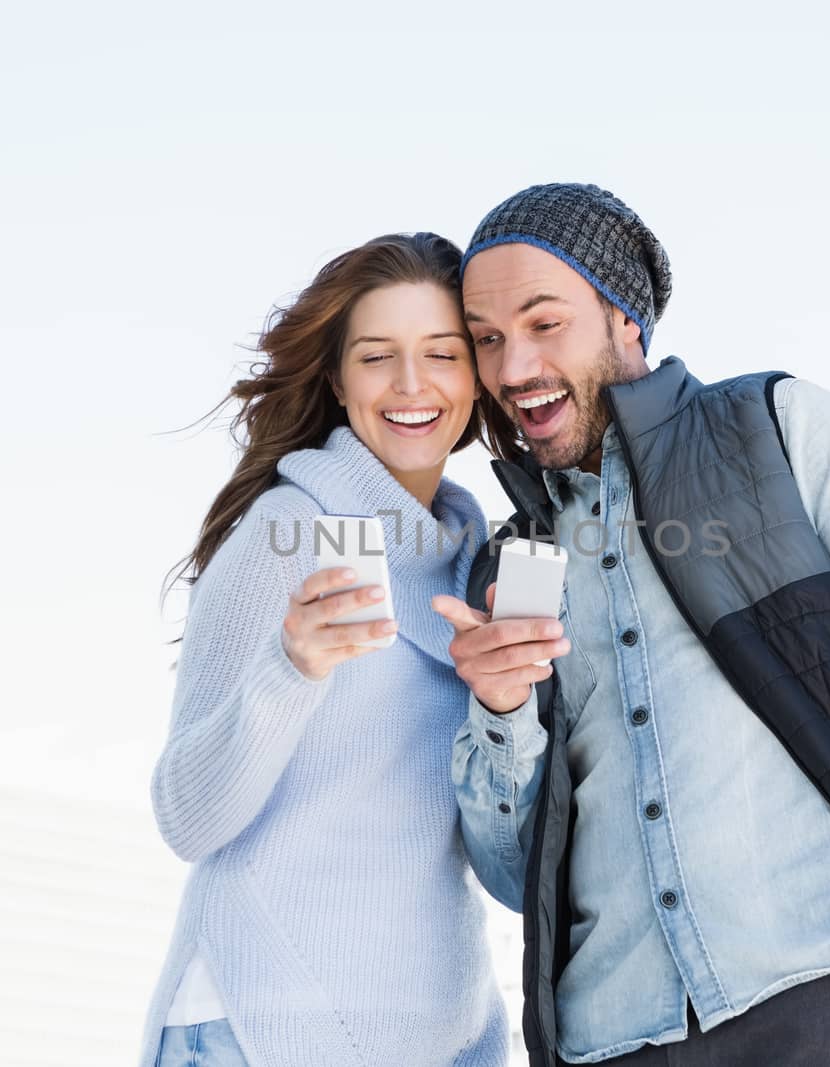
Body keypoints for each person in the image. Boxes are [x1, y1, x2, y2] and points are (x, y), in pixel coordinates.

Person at [433, 184, 830, 1067]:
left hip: (826, 1001)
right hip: (611, 1039)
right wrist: (500, 711)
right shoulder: (510, 567)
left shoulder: (779, 429)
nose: (512, 367)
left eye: (543, 323)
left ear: (622, 317)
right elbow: (513, 875)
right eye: (487, 339)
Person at [140, 232, 516, 1067]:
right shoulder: (286, 532)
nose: (412, 385)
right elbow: (187, 816)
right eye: (378, 356)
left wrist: (506, 708)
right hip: (262, 1028)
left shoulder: (475, 563)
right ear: (339, 380)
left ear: (477, 376)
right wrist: (292, 668)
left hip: (437, 1039)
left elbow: (489, 860)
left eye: (442, 354)